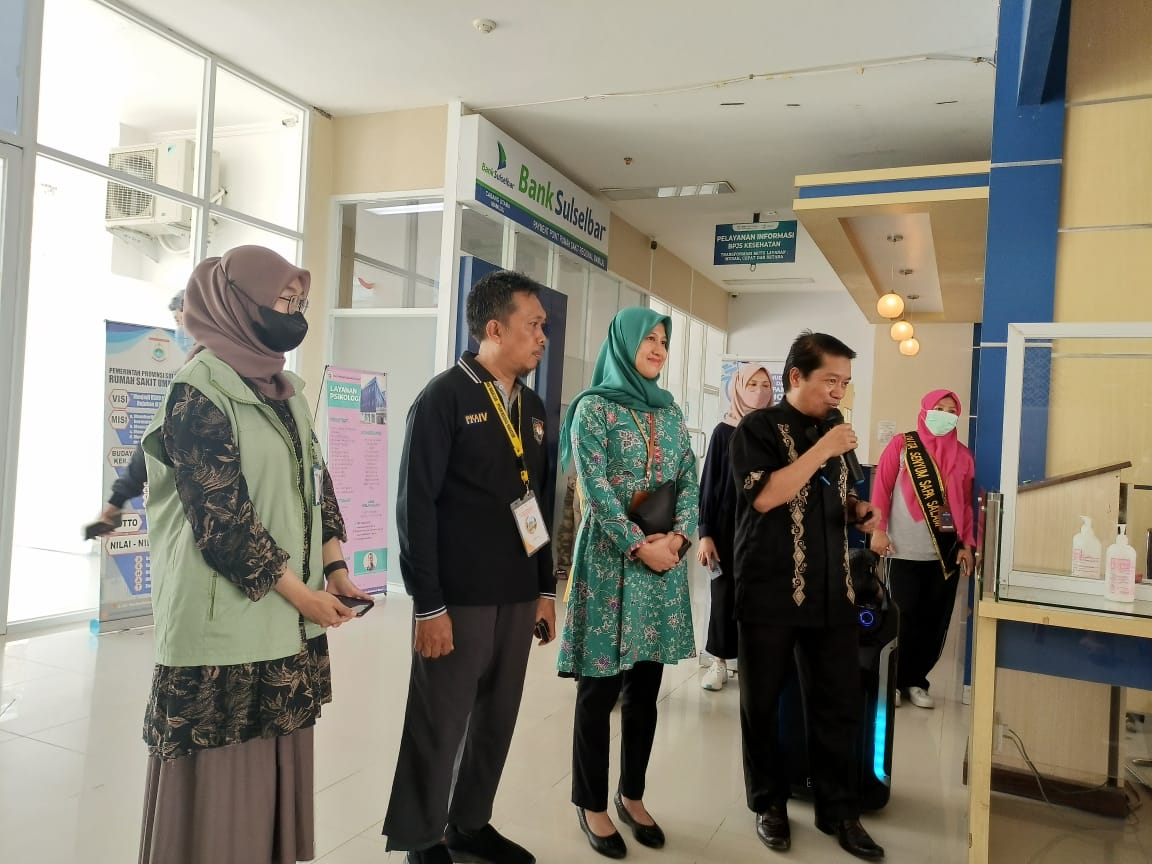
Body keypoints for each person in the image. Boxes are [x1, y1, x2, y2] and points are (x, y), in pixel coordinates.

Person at [137, 246, 370, 864]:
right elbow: (223, 522)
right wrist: (305, 597)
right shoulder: (196, 393)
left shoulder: (285, 391)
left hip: (285, 620)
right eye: (283, 302)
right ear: (236, 304)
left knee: (271, 771)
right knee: (222, 790)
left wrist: (335, 569)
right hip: (223, 631)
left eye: (300, 303)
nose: (294, 315)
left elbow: (315, 483)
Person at [383, 270, 556, 864]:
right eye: (533, 325)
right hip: (457, 598)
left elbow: (538, 505)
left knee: (496, 719)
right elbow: (416, 507)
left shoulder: (533, 407)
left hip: (516, 593)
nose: (542, 337)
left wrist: (544, 589)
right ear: (494, 329)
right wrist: (427, 603)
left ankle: (469, 823)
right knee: (441, 719)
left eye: (544, 326)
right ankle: (421, 837)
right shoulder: (444, 398)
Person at [730, 331, 885, 861]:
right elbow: (766, 496)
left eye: (845, 382)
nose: (839, 392)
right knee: (762, 704)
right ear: (796, 376)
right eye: (830, 381)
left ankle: (839, 810)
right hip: (770, 590)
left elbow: (837, 498)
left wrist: (859, 513)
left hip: (832, 591)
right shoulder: (756, 428)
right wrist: (822, 449)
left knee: (838, 704)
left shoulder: (834, 431)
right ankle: (768, 803)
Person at [557, 307, 699, 860]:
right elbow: (594, 488)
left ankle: (632, 795)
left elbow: (689, 478)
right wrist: (640, 545)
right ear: (623, 343)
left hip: (661, 570)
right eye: (649, 339)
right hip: (611, 563)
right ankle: (590, 802)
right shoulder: (592, 409)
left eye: (664, 340)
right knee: (598, 691)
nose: (658, 348)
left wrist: (678, 539)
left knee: (645, 691)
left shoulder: (670, 411)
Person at [868, 389, 975, 710]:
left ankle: (916, 680)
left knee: (934, 621)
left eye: (951, 410)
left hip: (943, 553)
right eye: (939, 408)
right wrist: (878, 530)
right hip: (902, 549)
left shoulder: (963, 456)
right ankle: (892, 680)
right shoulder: (903, 445)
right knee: (901, 618)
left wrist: (967, 545)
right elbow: (881, 488)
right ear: (926, 409)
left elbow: (965, 505)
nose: (945, 414)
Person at [697, 363, 775, 691]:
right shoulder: (722, 432)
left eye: (764, 384)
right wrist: (705, 534)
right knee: (723, 595)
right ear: (738, 388)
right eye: (752, 384)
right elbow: (709, 485)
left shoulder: (774, 433)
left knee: (759, 597)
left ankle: (752, 664)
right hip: (726, 528)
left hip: (764, 530)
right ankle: (718, 661)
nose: (759, 390)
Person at [91, 290, 186, 531]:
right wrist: (117, 499)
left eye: (180, 321)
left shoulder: (191, 380)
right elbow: (154, 439)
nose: (180, 331)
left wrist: (117, 500)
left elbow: (154, 439)